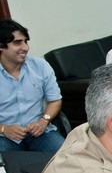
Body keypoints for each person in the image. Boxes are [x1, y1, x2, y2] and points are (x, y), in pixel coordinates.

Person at [0, 19, 64, 152]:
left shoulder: (40, 66)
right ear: (1, 45)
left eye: (26, 41)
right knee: (6, 169)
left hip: (39, 133)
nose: (25, 47)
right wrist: (4, 129)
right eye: (17, 42)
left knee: (64, 155)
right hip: (4, 137)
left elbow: (55, 100)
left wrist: (43, 121)